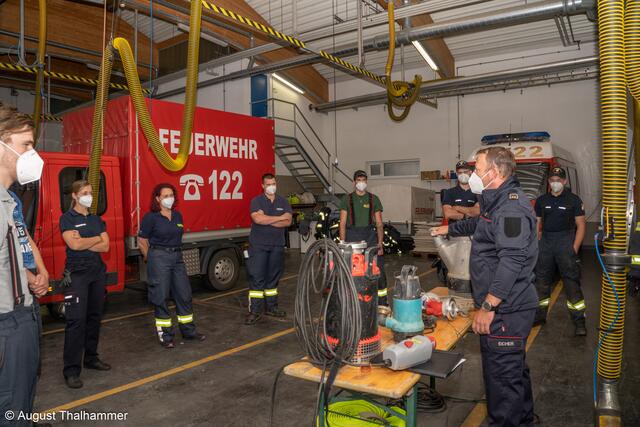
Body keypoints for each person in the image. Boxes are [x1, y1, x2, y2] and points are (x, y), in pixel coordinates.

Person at [431, 147, 538, 425]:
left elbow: (512, 260)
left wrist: (489, 306)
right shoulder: (498, 201)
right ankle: (524, 419)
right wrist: (449, 229)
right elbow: (483, 224)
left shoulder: (511, 207)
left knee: (501, 379)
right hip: (508, 306)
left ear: (495, 172)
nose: (473, 175)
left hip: (506, 309)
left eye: (477, 169)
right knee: (513, 371)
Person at [0, 102, 46, 426]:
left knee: (22, 402)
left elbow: (22, 238)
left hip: (25, 317)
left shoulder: (11, 198)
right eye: (25, 145)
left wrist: (37, 271)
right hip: (7, 324)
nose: (33, 153)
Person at [138, 183, 205, 348]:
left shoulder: (177, 216)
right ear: (158, 199)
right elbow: (142, 240)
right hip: (159, 256)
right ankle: (166, 336)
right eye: (165, 196)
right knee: (160, 296)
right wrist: (151, 258)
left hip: (177, 257)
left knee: (184, 294)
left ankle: (188, 331)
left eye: (171, 195)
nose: (169, 198)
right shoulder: (150, 217)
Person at [60, 180, 111, 388]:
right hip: (77, 276)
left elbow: (106, 246)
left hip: (97, 274)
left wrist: (85, 241)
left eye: (90, 192)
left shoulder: (97, 219)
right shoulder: (67, 219)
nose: (88, 196)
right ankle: (71, 371)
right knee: (76, 322)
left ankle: (91, 358)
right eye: (84, 192)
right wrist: (95, 240)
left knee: (94, 317)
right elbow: (74, 244)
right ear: (74, 196)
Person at [533, 167, 587, 336]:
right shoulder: (542, 200)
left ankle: (579, 321)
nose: (555, 183)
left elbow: (581, 226)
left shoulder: (574, 200)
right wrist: (537, 243)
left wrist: (574, 248)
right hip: (546, 243)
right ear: (549, 182)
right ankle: (539, 316)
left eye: (558, 180)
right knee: (541, 282)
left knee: (571, 283)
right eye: (552, 180)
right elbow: (538, 224)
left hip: (566, 241)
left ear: (564, 181)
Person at [245, 173, 292, 325]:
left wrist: (267, 219)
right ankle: (255, 311)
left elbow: (288, 221)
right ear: (263, 186)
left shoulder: (283, 201)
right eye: (268, 184)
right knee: (257, 279)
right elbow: (257, 219)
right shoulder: (256, 201)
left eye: (274, 183)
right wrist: (279, 217)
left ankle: (272, 307)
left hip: (277, 246)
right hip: (258, 246)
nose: (272, 186)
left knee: (273, 279)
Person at [338, 170, 387, 305]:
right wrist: (342, 244)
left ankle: (382, 303)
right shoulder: (346, 199)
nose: (361, 183)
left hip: (370, 238)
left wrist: (380, 244)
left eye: (364, 180)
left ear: (367, 182)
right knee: (353, 271)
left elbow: (379, 224)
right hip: (351, 239)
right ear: (354, 182)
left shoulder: (374, 199)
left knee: (378, 271)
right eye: (359, 180)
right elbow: (342, 223)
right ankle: (352, 301)